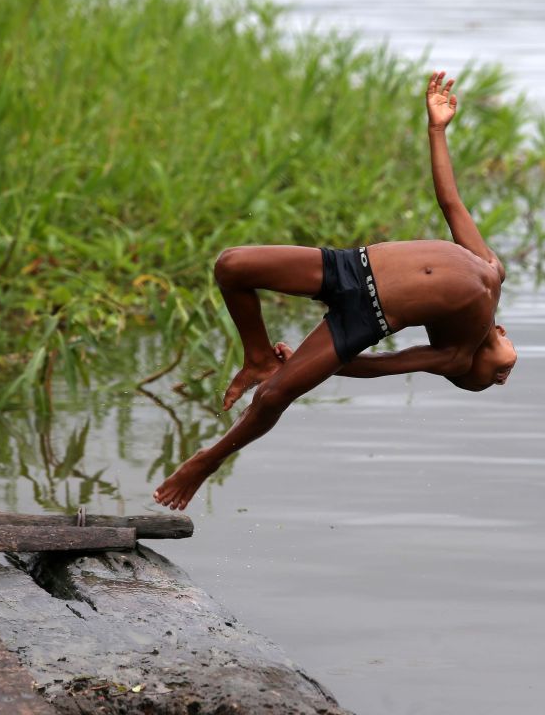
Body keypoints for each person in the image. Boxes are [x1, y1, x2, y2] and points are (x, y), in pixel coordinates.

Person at [153, 71, 517, 511]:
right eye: (504, 375)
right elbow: (451, 203)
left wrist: (315, 366)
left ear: (466, 369)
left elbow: (382, 365)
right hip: (350, 265)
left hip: (367, 319)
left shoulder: (453, 355)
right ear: (502, 333)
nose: (501, 379)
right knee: (232, 265)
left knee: (273, 396)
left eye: (490, 380)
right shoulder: (492, 271)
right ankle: (257, 357)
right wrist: (436, 130)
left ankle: (205, 462)